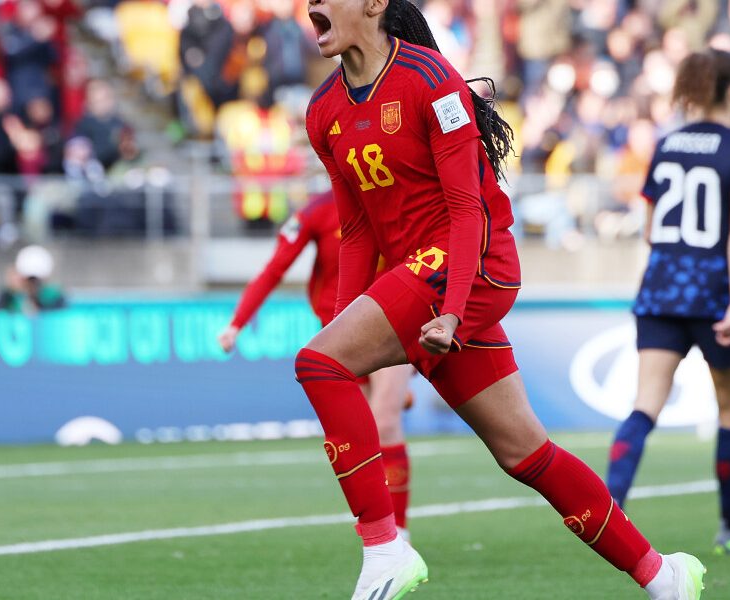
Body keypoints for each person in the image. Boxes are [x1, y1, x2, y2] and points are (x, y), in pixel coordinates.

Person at [301, 2, 704, 599]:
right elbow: (356, 230)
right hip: (424, 284)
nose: (311, 4)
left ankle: (386, 548)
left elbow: (467, 209)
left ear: (373, 4)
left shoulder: (429, 80)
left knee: (317, 362)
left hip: (470, 268)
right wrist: (343, 320)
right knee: (526, 454)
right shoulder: (323, 112)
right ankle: (662, 575)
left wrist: (454, 309)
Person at [605, 49, 730, 557]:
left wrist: (655, 281)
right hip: (715, 290)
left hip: (661, 287)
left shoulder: (665, 145)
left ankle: (607, 516)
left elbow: (654, 225)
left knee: (644, 405)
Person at [216, 191, 416, 539]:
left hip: (393, 323)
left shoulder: (399, 198)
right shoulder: (317, 212)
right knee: (362, 430)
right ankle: (381, 524)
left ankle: (397, 533)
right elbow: (275, 267)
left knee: (384, 421)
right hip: (341, 335)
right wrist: (237, 322)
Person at [0, 244, 67, 313]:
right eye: (29, 279)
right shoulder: (9, 296)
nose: (32, 284)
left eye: (36, 280)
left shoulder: (53, 296)